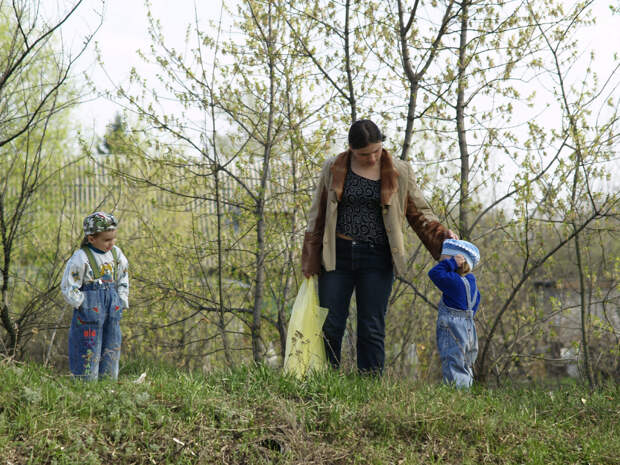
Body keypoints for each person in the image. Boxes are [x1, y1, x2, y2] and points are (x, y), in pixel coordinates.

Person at [302, 119, 457, 374]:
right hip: (337, 256)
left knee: (372, 326)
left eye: (376, 151)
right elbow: (317, 214)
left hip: (378, 259)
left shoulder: (399, 170)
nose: (372, 158)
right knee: (330, 324)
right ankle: (326, 381)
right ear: (351, 149)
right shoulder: (334, 167)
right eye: (364, 154)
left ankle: (369, 386)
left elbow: (419, 213)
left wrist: (444, 240)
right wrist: (309, 259)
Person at [61, 212, 129, 380]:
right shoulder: (81, 258)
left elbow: (123, 278)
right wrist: (82, 302)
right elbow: (69, 286)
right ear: (91, 239)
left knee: (111, 347)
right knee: (88, 350)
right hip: (89, 313)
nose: (111, 243)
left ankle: (108, 385)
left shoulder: (116, 254)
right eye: (106, 240)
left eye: (113, 239)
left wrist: (122, 299)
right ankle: (86, 385)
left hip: (112, 310)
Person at [428, 239, 481, 388]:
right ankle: (466, 391)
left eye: (444, 260)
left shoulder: (454, 282)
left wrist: (450, 263)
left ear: (458, 261)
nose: (441, 263)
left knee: (453, 362)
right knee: (465, 363)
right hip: (469, 329)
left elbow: (434, 273)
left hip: (453, 328)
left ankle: (457, 396)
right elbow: (476, 302)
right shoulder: (471, 283)